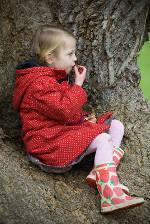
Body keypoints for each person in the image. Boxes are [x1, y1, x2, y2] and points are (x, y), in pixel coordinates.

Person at [13, 25, 144, 213]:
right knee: (102, 138)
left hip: (58, 137)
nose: (75, 59)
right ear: (50, 57)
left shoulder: (52, 79)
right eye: (70, 53)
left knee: (115, 126)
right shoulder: (39, 84)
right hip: (47, 148)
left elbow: (64, 113)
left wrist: (83, 120)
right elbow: (63, 110)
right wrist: (78, 85)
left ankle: (101, 174)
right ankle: (110, 196)